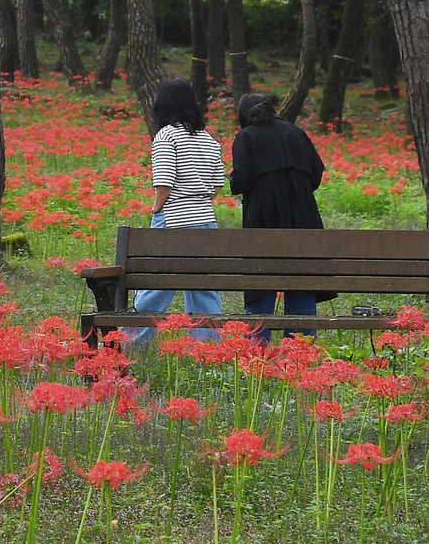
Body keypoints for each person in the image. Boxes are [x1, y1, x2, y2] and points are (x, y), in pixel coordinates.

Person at [124, 79, 225, 351]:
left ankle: (131, 344)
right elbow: (218, 183)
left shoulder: (166, 136)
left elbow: (165, 182)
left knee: (157, 285)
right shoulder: (207, 138)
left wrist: (156, 208)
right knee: (203, 286)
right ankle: (209, 350)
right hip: (205, 220)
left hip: (174, 218)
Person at [229, 93, 327, 345]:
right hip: (303, 218)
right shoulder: (296, 132)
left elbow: (240, 180)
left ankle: (258, 346)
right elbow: (317, 172)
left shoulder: (246, 137)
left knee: (261, 279)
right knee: (302, 277)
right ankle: (300, 347)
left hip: (263, 219)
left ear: (242, 115)